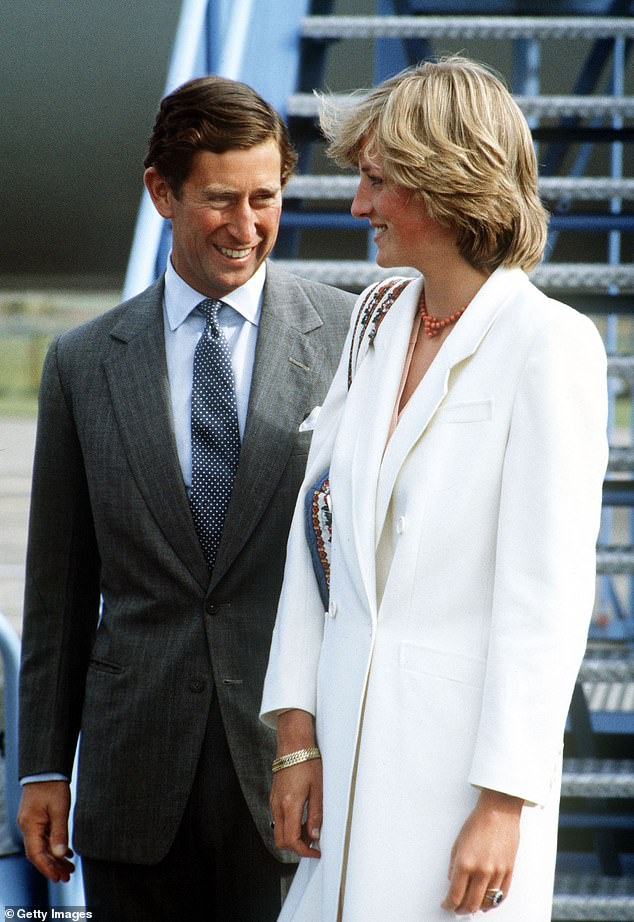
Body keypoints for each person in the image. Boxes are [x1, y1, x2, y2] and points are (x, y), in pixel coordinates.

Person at [260, 56, 608, 921]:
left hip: (459, 784)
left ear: (443, 179)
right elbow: (318, 530)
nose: (359, 204)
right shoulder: (375, 318)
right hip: (341, 763)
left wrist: (504, 799)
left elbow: (546, 599)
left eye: (377, 180)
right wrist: (295, 735)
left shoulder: (549, 345)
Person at [17, 75, 355, 922]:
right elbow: (58, 590)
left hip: (291, 771)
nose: (247, 229)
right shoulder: (83, 362)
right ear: (161, 193)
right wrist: (43, 767)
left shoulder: (355, 339)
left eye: (265, 198)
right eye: (218, 201)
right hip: (133, 785)